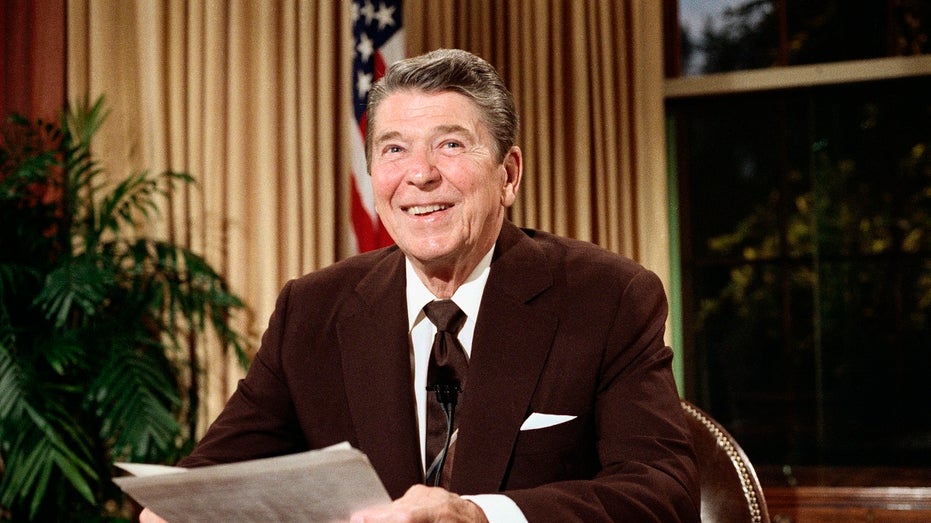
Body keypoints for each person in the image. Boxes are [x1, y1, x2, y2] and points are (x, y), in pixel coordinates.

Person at [140, 48, 700, 522]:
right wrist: (170, 509)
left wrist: (480, 515)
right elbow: (205, 481)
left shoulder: (605, 298)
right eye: (394, 148)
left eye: (450, 145)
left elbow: (661, 492)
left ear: (508, 174)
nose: (420, 173)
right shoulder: (311, 311)